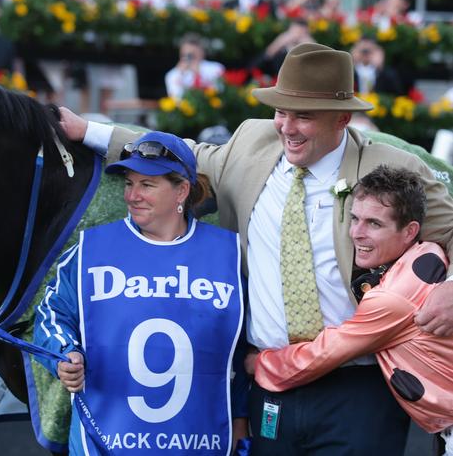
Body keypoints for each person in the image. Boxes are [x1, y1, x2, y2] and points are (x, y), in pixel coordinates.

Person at [57, 41, 453, 455]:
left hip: (357, 387)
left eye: (304, 115)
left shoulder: (392, 166)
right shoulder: (251, 142)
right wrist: (87, 131)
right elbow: (185, 155)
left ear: (342, 118)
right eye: (281, 111)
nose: (287, 126)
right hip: (268, 381)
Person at [34, 131, 249, 455]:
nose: (132, 196)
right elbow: (51, 312)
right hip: (103, 443)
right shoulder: (91, 249)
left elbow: (245, 349)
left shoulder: (228, 254)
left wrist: (242, 419)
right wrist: (65, 353)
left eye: (146, 185)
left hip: (202, 443)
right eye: (128, 184)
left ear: (182, 191)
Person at [249, 165, 453, 454]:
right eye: (354, 218)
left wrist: (259, 363)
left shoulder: (392, 298)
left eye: (374, 224)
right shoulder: (430, 252)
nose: (356, 233)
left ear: (410, 231)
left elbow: (323, 353)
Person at [165, 33, 225, 99]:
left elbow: (219, 91)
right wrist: (180, 74)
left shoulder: (216, 68)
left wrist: (199, 73)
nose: (190, 57)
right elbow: (175, 97)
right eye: (187, 54)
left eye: (194, 53)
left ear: (202, 52)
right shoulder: (173, 74)